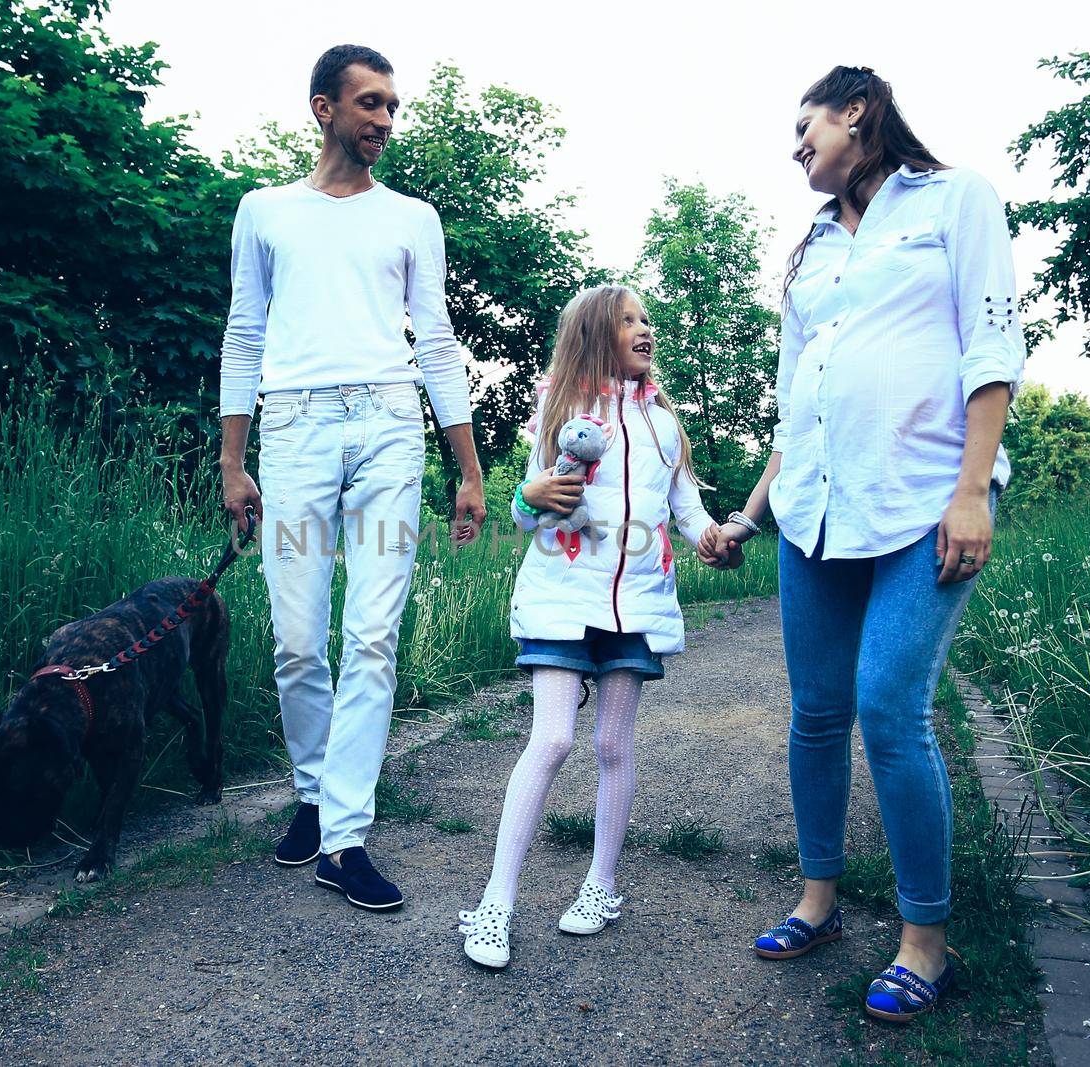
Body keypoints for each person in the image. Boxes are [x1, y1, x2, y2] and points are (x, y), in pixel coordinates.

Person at [721, 66, 1025, 1022]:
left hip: (920, 502)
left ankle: (923, 941)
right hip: (814, 506)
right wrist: (750, 512)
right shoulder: (808, 249)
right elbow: (793, 403)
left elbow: (991, 342)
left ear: (857, 110)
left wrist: (972, 491)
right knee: (815, 712)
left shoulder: (954, 199)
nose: (795, 145)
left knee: (889, 709)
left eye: (804, 123)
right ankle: (818, 898)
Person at [218, 44, 487, 913]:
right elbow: (243, 333)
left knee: (372, 635)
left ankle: (345, 837)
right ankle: (310, 790)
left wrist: (468, 470)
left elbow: (437, 342)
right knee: (299, 637)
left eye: (393, 107)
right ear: (323, 108)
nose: (385, 120)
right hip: (293, 431)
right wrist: (232, 459)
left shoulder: (412, 217)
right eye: (370, 103)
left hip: (386, 429)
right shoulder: (264, 211)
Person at [458, 285, 733, 969]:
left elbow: (686, 505)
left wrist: (711, 537)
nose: (646, 329)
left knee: (613, 741)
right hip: (563, 594)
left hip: (634, 603)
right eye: (629, 321)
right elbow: (528, 507)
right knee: (551, 738)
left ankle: (601, 884)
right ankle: (496, 903)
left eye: (647, 318)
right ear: (592, 335)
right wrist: (532, 495)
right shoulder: (563, 410)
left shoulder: (664, 424)